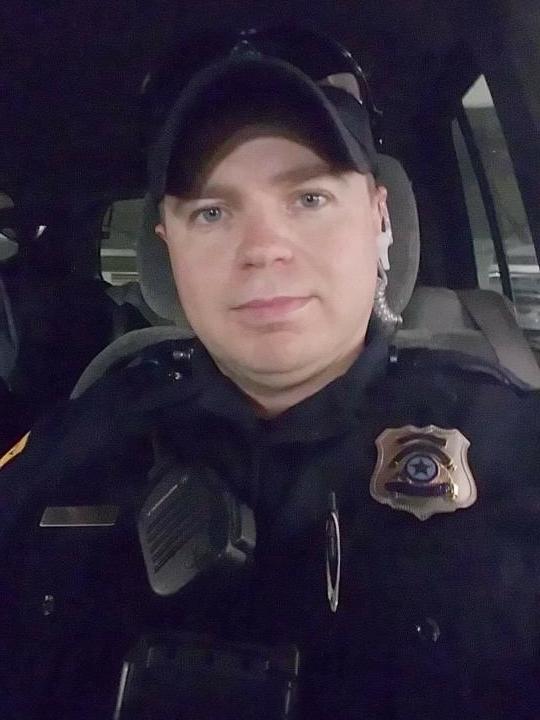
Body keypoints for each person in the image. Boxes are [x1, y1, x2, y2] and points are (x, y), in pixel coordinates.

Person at [1, 30, 540, 720]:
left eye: (308, 198)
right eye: (212, 212)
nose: (262, 249)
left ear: (378, 217)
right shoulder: (82, 438)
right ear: (168, 245)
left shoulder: (512, 445)